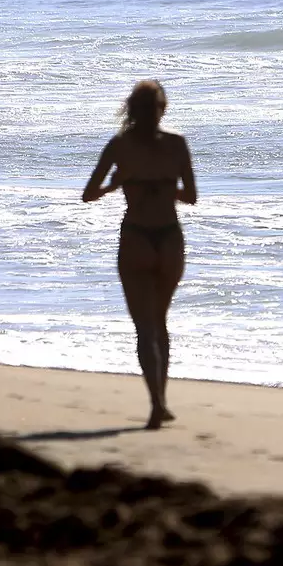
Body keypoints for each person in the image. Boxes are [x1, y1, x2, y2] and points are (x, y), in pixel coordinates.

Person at [81, 79, 198, 429]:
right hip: (169, 236)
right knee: (160, 321)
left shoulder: (119, 145)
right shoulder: (177, 144)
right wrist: (164, 187)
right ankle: (161, 402)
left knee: (144, 327)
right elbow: (191, 196)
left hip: (136, 237)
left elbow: (89, 194)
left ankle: (156, 404)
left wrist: (122, 184)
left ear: (130, 109)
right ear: (163, 108)